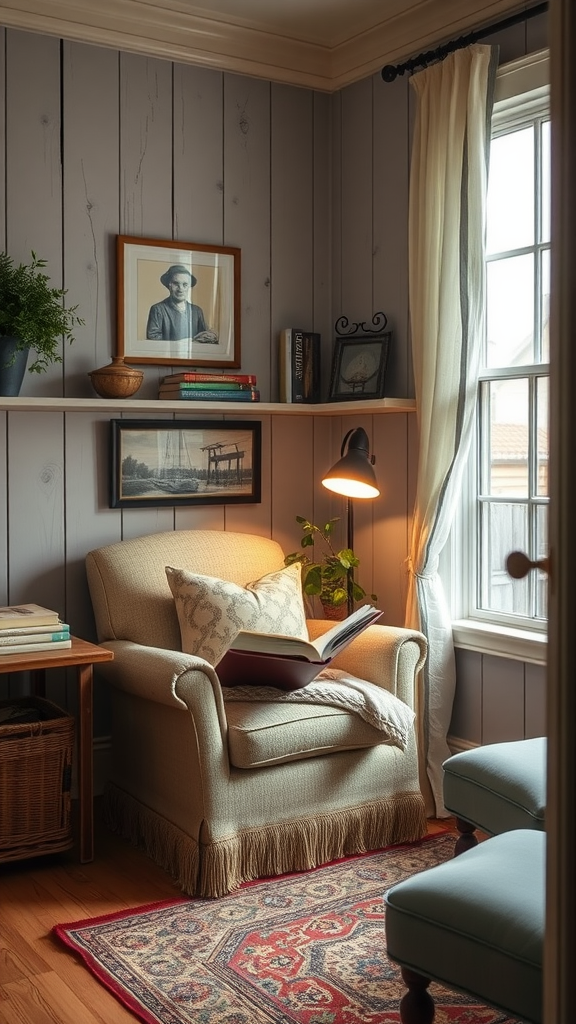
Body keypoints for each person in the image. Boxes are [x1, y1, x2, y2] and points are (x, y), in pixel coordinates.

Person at [146, 264, 218, 343]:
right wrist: (183, 343)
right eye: (176, 284)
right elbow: (153, 339)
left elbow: (203, 339)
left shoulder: (197, 311)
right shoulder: (158, 309)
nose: (180, 289)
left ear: (189, 287)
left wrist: (210, 336)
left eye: (185, 284)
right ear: (169, 285)